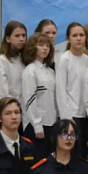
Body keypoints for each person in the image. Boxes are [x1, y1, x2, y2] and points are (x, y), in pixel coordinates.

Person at [55, 23, 88, 157]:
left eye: (81, 35)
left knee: (85, 153)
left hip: (87, 115)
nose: (78, 38)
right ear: (68, 38)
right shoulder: (64, 59)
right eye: (75, 35)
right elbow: (60, 89)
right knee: (73, 153)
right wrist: (66, 117)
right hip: (71, 115)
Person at [21, 32, 57, 161]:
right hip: (36, 126)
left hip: (51, 123)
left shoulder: (50, 71)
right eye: (41, 45)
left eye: (47, 45)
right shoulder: (30, 71)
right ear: (33, 48)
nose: (45, 48)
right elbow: (29, 99)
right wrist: (37, 124)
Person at [0, 21, 27, 104]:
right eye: (17, 36)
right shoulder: (2, 61)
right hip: (10, 109)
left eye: (23, 35)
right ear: (8, 39)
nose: (21, 39)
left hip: (25, 109)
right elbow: (2, 93)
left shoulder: (24, 59)